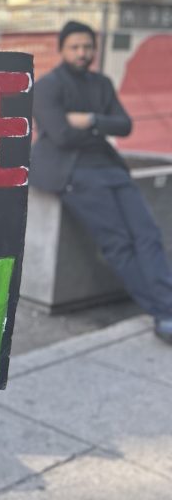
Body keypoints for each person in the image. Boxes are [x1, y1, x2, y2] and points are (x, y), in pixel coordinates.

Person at [29, 20, 172, 344]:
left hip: (111, 169)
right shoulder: (48, 86)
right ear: (62, 49)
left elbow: (124, 126)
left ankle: (167, 305)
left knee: (148, 234)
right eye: (75, 47)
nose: (82, 53)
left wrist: (91, 120)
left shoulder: (102, 84)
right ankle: (163, 311)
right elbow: (62, 137)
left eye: (87, 47)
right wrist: (97, 128)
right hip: (74, 173)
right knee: (118, 243)